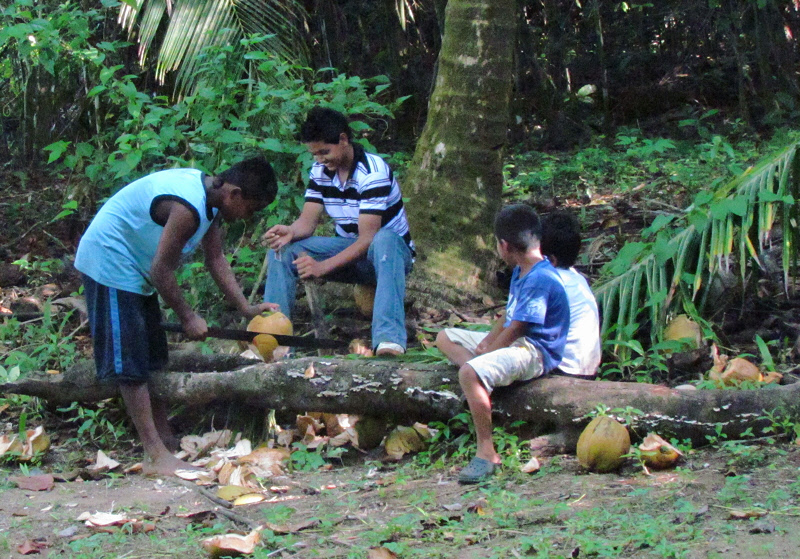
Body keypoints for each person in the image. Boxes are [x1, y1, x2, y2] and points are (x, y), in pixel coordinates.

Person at [74, 157, 279, 477]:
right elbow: (161, 270)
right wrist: (188, 317)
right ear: (235, 194)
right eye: (250, 210)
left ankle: (165, 438)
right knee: (129, 363)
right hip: (110, 262)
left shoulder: (213, 201)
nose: (247, 218)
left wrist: (245, 308)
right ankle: (154, 454)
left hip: (135, 270)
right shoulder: (188, 207)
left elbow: (216, 258)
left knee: (154, 356)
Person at [262, 107, 414, 356]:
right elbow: (307, 223)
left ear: (343, 139)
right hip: (349, 252)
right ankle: (273, 340)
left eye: (325, 151)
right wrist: (289, 231)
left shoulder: (372, 172)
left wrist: (322, 267)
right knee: (283, 249)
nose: (320, 159)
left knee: (384, 239)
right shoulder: (320, 171)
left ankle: (389, 339)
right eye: (315, 153)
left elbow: (368, 240)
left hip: (386, 256)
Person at [435, 204, 569, 484]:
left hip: (535, 350)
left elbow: (522, 326)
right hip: (515, 340)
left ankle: (486, 452)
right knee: (445, 336)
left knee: (469, 372)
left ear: (504, 245)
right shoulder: (522, 270)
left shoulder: (540, 278)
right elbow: (509, 315)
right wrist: (487, 341)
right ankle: (481, 380)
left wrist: (490, 352)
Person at [541, 210, 601, 379]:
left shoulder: (547, 281)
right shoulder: (577, 278)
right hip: (586, 370)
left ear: (550, 258)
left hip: (563, 371)